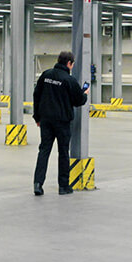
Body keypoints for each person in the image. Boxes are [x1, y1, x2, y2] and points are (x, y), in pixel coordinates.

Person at [32, 50, 89, 196]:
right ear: (69, 63)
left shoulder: (46, 75)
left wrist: (37, 117)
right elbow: (78, 101)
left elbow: (36, 95)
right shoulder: (69, 80)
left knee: (44, 150)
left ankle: (38, 184)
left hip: (45, 120)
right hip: (62, 122)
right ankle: (63, 187)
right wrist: (84, 93)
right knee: (63, 153)